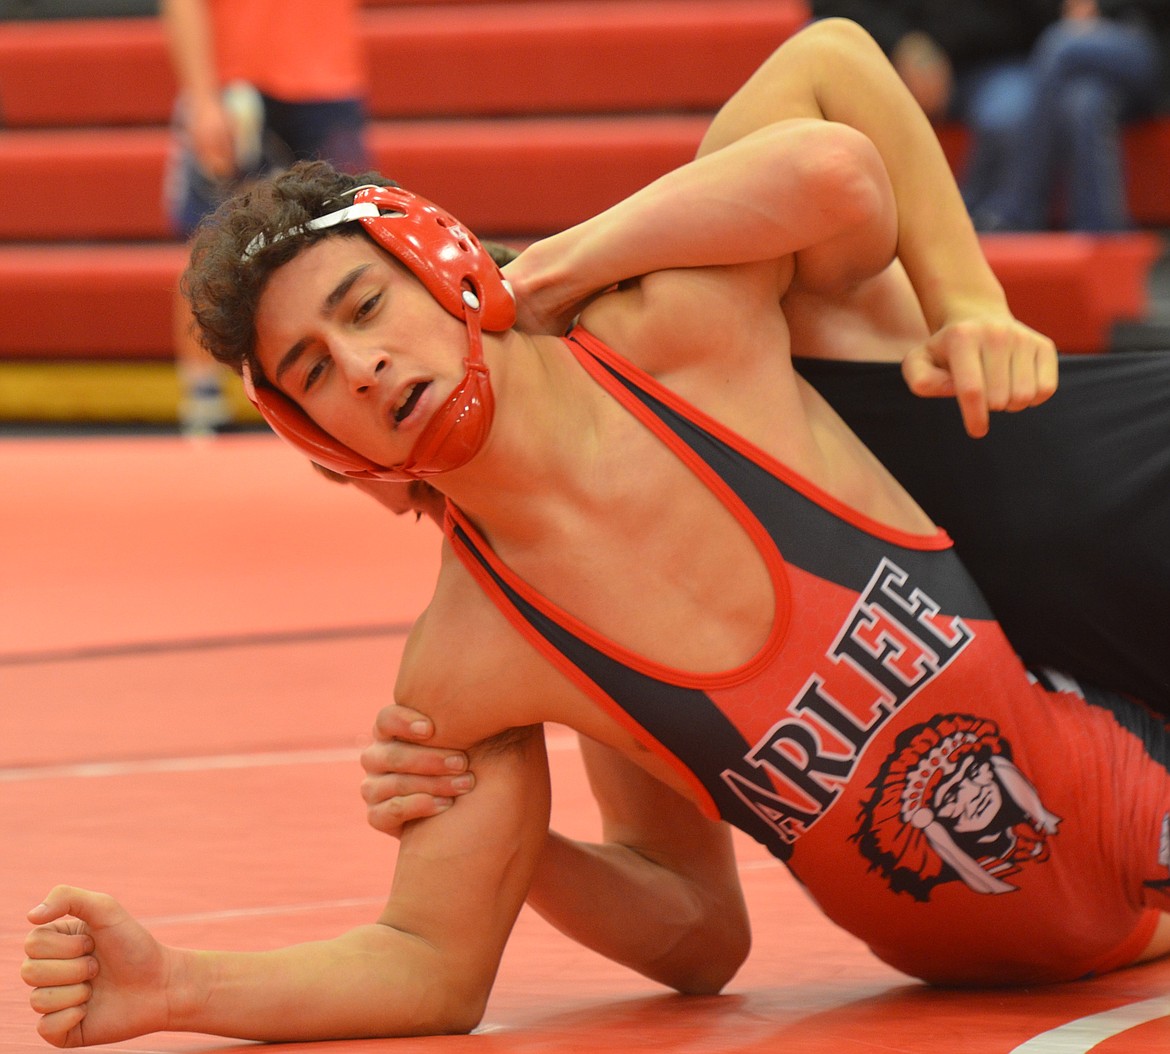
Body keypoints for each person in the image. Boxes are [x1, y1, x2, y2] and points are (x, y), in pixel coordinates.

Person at [22, 20, 1170, 1048]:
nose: (363, 367)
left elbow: (832, 158)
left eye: (366, 308)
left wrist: (542, 274)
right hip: (963, 971)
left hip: (1127, 776)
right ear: (320, 440)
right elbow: (575, 951)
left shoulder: (681, 330)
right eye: (314, 372)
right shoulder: (474, 658)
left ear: (441, 262)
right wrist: (177, 984)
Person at [161, 0, 371, 435]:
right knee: (212, 234)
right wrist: (201, 97)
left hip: (327, 77)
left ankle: (339, 392)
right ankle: (204, 401)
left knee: (344, 236)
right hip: (236, 78)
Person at [808, 0, 1059, 224]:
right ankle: (846, 225)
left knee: (1012, 116)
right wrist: (901, 42)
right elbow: (830, 7)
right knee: (818, 53)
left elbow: (1048, 15)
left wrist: (955, 39)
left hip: (994, 63)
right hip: (887, 57)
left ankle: (986, 229)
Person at [972, 0, 1169, 232]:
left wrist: (1100, 8)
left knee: (1059, 43)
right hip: (1095, 61)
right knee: (1085, 103)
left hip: (1147, 41)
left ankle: (1020, 206)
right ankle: (1099, 229)